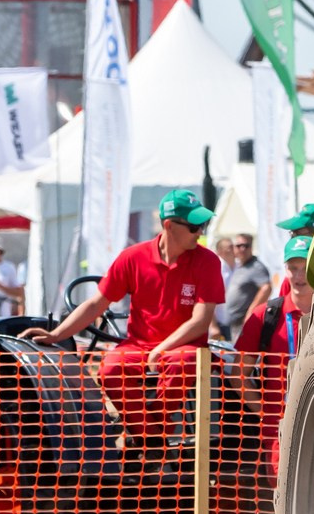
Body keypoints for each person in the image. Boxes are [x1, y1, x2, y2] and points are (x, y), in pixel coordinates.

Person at [28, 189, 224, 445]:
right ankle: (153, 438)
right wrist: (56, 334)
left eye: (203, 225)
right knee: (110, 368)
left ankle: (148, 437)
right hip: (140, 344)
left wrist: (161, 349)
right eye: (195, 226)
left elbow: (200, 320)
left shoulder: (207, 260)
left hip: (185, 347)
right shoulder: (133, 257)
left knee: (183, 360)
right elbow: (97, 303)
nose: (200, 232)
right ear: (168, 226)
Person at [217, 233, 270, 337]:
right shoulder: (239, 265)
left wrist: (250, 313)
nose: (242, 249)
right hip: (230, 325)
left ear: (251, 247)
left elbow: (266, 288)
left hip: (242, 325)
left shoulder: (256, 266)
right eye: (238, 246)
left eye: (246, 246)